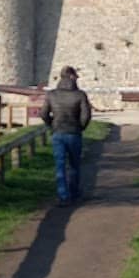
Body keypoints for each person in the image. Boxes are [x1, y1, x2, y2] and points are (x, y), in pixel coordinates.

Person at [41, 65, 92, 205]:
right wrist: (81, 127)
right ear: (71, 77)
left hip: (58, 133)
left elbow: (43, 113)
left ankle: (63, 196)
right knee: (74, 165)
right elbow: (86, 115)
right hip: (74, 133)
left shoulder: (51, 95)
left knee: (60, 165)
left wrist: (51, 124)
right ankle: (74, 193)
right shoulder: (80, 95)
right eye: (76, 77)